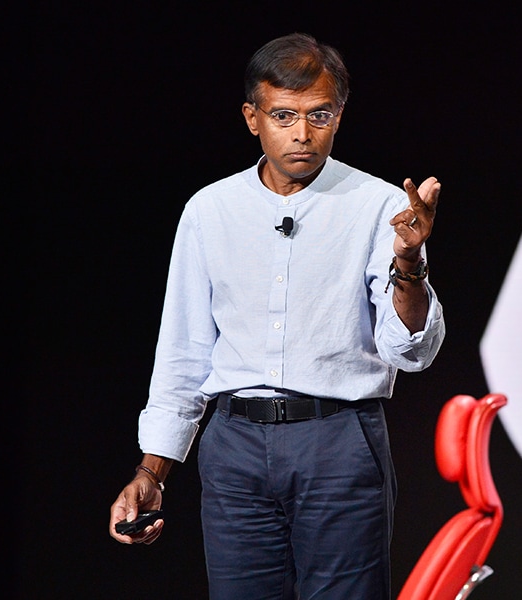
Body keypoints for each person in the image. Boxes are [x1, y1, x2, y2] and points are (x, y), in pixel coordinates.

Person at [109, 32, 445, 600]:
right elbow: (184, 353)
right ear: (252, 117)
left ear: (339, 116)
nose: (302, 134)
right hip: (234, 444)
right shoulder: (210, 209)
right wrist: (151, 472)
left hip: (339, 439)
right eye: (283, 115)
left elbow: (409, 351)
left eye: (320, 115)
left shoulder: (382, 206)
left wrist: (409, 262)